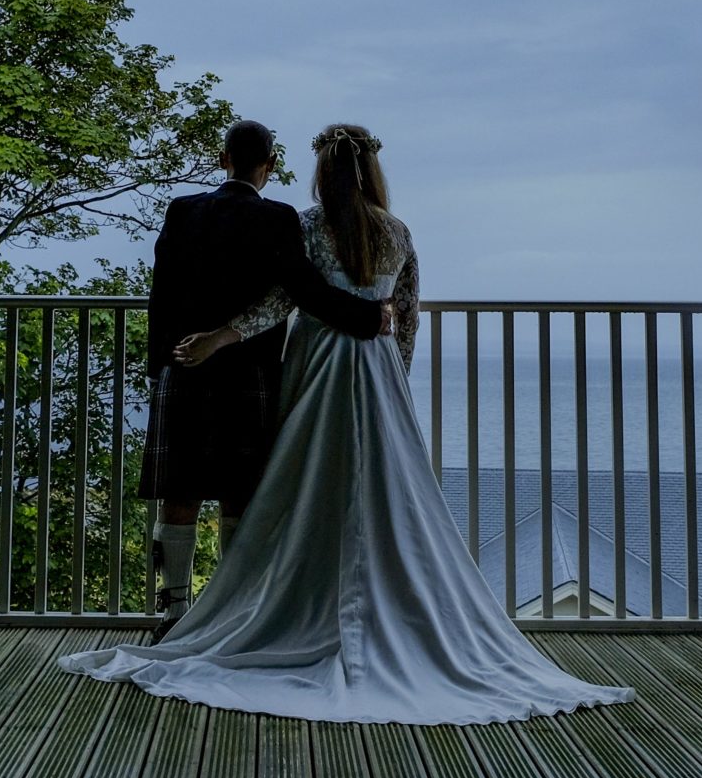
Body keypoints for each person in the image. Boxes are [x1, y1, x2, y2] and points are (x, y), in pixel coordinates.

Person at [63, 124, 632, 724]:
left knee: (298, 487)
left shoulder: (304, 224)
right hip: (375, 369)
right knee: (378, 494)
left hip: (314, 367)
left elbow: (285, 299)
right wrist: (395, 378)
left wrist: (221, 336)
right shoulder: (396, 231)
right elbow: (406, 318)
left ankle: (232, 605)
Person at [135, 118, 390, 623]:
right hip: (248, 372)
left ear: (222, 158)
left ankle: (174, 609)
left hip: (185, 363)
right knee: (239, 493)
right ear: (269, 166)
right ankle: (230, 608)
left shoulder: (182, 211)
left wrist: (160, 364)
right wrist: (369, 316)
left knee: (179, 492)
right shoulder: (277, 218)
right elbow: (303, 291)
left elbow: (160, 293)